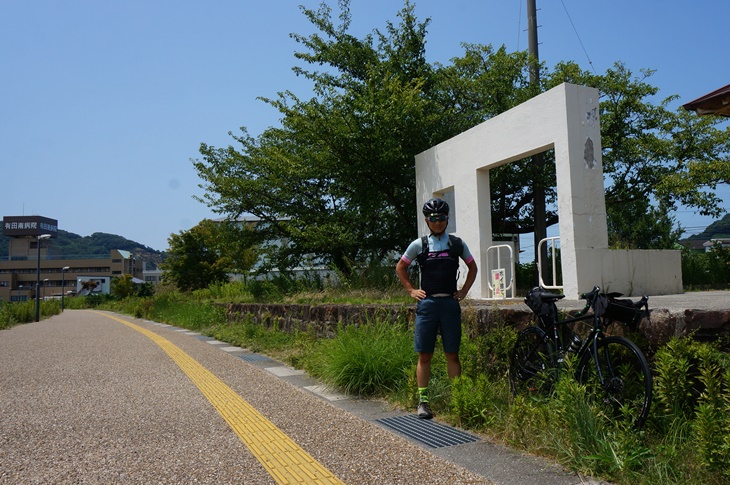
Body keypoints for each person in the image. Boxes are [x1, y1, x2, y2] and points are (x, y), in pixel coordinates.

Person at [395, 198, 478, 419]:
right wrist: (411, 290)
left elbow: (472, 267)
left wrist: (464, 291)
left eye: (441, 218)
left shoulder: (456, 244)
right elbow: (401, 267)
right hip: (428, 304)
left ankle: (458, 399)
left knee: (452, 353)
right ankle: (423, 402)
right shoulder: (419, 244)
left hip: (450, 305)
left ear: (447, 219)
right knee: (425, 355)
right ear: (427, 220)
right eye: (433, 218)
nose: (438, 222)